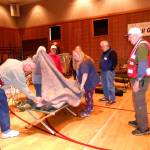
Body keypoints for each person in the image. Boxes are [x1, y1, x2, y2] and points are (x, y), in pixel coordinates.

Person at [0, 58, 42, 139]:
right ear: (28, 64)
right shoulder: (18, 71)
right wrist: (35, 98)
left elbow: (5, 71)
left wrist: (5, 88)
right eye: (31, 69)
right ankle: (6, 131)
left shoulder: (14, 61)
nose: (31, 71)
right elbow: (23, 88)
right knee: (3, 108)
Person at [127, 27, 150, 135]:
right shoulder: (139, 46)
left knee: (140, 103)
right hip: (138, 79)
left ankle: (143, 128)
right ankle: (139, 121)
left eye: (130, 36)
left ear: (136, 35)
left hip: (140, 80)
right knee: (137, 102)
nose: (129, 39)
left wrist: (137, 81)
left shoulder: (142, 46)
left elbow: (143, 65)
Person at [72, 46, 100, 117]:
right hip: (90, 80)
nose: (75, 57)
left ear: (80, 54)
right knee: (89, 95)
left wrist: (82, 85)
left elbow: (85, 74)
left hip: (90, 82)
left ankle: (88, 111)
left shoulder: (84, 63)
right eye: (74, 56)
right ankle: (91, 107)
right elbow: (79, 74)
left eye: (76, 55)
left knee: (88, 96)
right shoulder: (82, 60)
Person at [99, 40, 117, 105]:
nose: (101, 48)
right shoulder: (104, 53)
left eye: (102, 46)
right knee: (104, 85)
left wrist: (110, 69)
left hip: (109, 71)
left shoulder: (112, 52)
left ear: (106, 46)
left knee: (110, 85)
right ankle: (106, 97)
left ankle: (112, 99)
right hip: (103, 71)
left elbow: (115, 62)